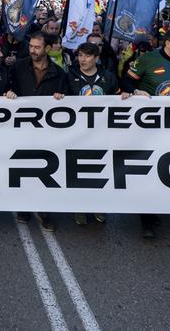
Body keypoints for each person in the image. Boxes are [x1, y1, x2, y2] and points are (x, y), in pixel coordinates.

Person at [8, 32, 66, 232]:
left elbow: (68, 100)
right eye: (31, 46)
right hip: (22, 128)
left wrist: (61, 97)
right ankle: (24, 206)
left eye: (37, 47)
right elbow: (8, 87)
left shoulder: (59, 74)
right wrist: (9, 93)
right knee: (23, 168)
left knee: (44, 171)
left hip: (46, 132)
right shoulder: (18, 67)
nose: (32, 50)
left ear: (48, 49)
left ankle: (44, 211)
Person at [67, 42, 120, 226]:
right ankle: (79, 208)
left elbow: (119, 98)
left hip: (102, 133)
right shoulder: (70, 76)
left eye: (87, 56)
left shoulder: (108, 77)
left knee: (100, 170)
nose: (82, 59)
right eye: (80, 56)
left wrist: (129, 96)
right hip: (77, 134)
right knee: (79, 170)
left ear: (96, 58)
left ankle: (98, 205)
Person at [123, 28, 170, 98]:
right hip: (149, 106)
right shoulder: (147, 58)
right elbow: (127, 80)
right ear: (168, 44)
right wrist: (135, 91)